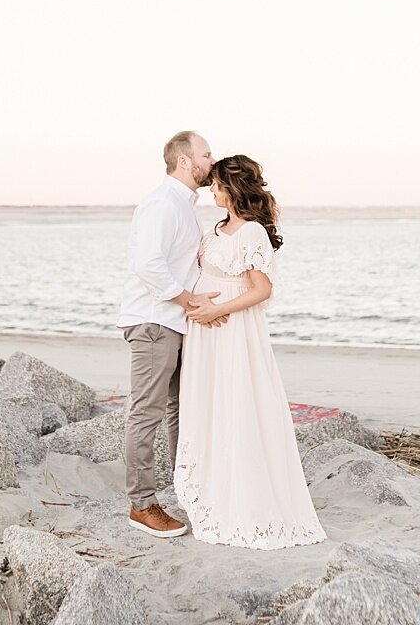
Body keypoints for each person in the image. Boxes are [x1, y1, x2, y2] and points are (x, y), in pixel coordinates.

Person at [173, 155, 327, 549]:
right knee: (209, 406)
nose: (212, 190)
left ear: (233, 187)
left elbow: (261, 289)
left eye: (218, 184)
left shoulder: (253, 233)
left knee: (236, 403)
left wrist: (216, 309)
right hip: (205, 332)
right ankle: (212, 490)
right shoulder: (216, 229)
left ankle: (244, 498)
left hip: (232, 330)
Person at [117, 130, 224, 538]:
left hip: (176, 323)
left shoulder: (184, 206)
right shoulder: (162, 203)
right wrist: (187, 300)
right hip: (153, 321)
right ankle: (142, 505)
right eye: (206, 154)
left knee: (182, 410)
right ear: (184, 161)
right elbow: (148, 264)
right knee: (146, 413)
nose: (211, 161)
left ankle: (188, 489)